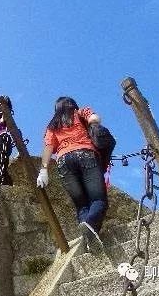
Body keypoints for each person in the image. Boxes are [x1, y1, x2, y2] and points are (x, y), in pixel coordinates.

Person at [36, 96, 108, 253]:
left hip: (63, 162)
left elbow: (49, 147)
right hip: (86, 155)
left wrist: (44, 170)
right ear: (73, 104)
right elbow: (94, 118)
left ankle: (89, 239)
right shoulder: (80, 112)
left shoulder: (52, 125)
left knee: (81, 205)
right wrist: (94, 125)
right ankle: (90, 225)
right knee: (98, 199)